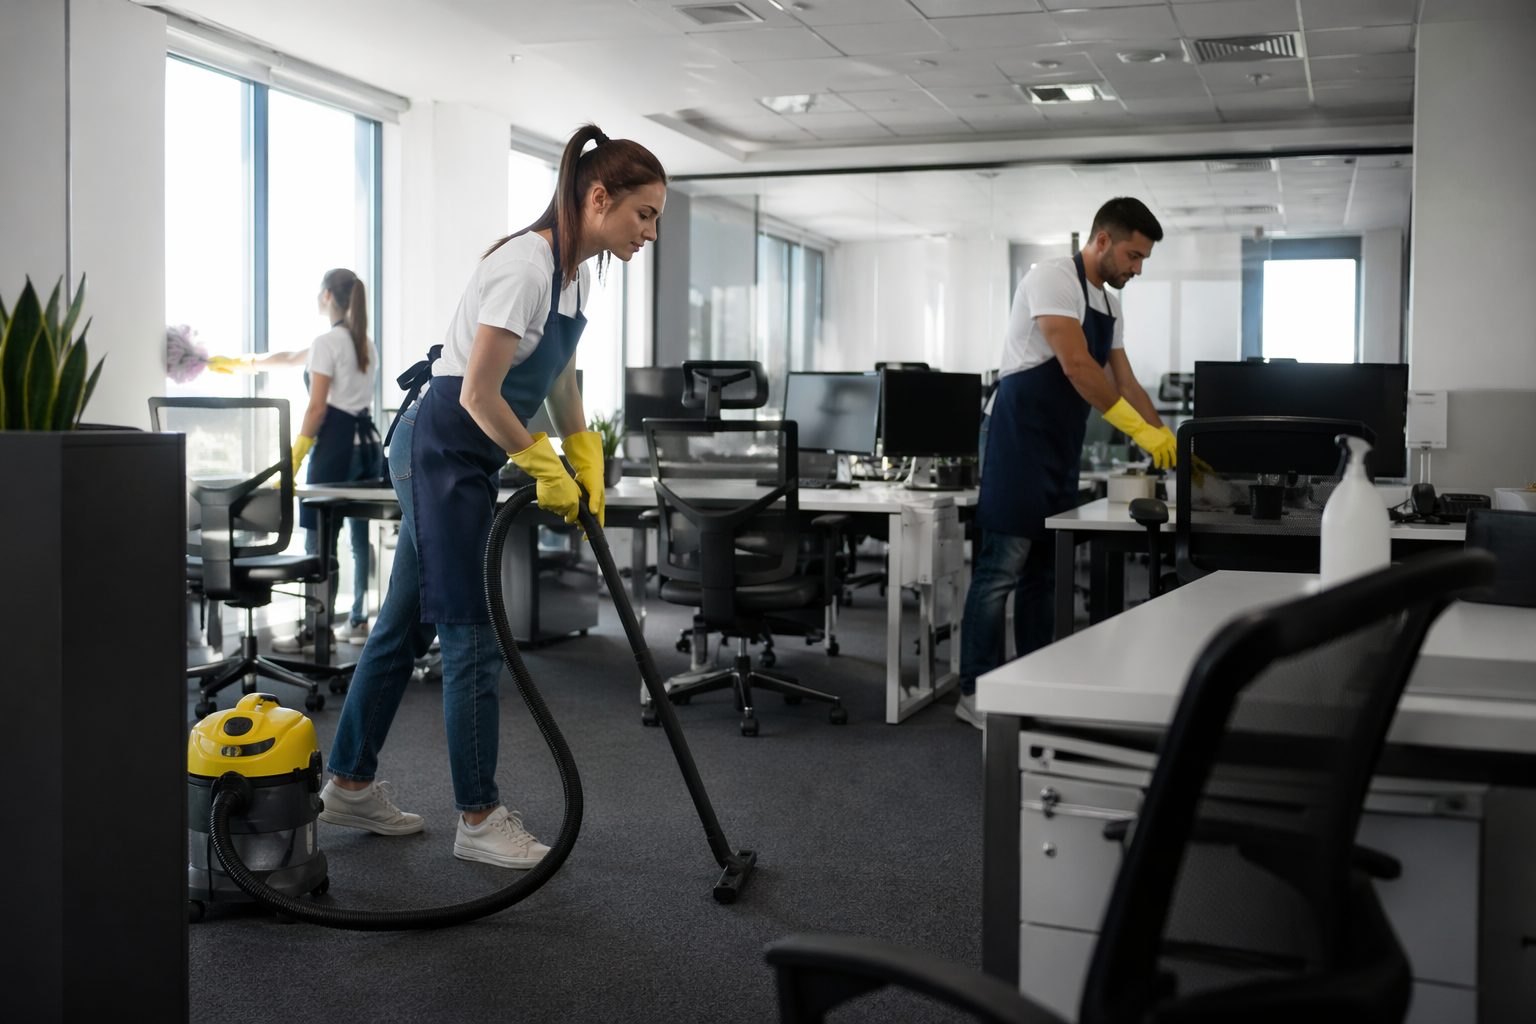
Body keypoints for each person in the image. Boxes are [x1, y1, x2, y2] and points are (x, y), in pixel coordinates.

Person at [316, 124, 666, 869]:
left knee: (405, 624)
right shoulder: (525, 264)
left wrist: (582, 448)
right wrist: (540, 461)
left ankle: (348, 782)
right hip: (442, 443)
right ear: (598, 198)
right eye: (644, 214)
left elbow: (558, 374)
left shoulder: (576, 274)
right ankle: (477, 817)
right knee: (471, 630)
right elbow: (478, 391)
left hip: (469, 451)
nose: (650, 231)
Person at [955, 198, 1173, 729]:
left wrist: (1167, 435)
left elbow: (1124, 381)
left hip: (1059, 442)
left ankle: (1032, 683)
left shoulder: (1110, 305)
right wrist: (1137, 431)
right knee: (1000, 569)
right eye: (1133, 255)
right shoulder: (1052, 278)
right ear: (1103, 240)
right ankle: (975, 690)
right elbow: (1077, 366)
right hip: (1017, 435)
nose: (1137, 269)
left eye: (1144, 259)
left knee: (1043, 572)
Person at [209, 269, 383, 649]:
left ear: (327, 296)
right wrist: (243, 363)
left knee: (320, 542)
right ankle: (357, 622)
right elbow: (290, 358)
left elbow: (317, 407)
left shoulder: (327, 342)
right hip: (367, 446)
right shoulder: (363, 343)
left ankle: (316, 631)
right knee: (359, 539)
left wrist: (296, 455)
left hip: (337, 447)